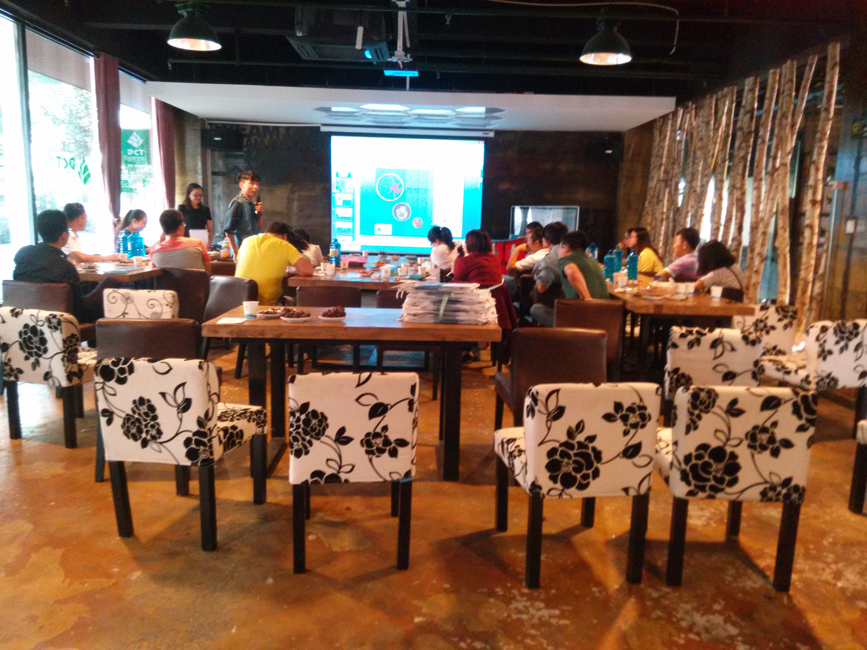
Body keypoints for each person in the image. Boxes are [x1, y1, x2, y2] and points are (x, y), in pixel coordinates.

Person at [13, 210, 119, 323]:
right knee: (111, 281)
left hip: (28, 318)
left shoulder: (23, 256)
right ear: (63, 235)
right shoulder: (65, 267)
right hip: (66, 321)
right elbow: (80, 308)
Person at [235, 221, 314, 305]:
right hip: (265, 306)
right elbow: (308, 270)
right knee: (292, 302)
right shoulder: (284, 245)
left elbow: (238, 266)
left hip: (237, 303)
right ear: (285, 236)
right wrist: (291, 271)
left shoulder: (247, 241)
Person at [528, 221, 569, 327]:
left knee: (535, 309)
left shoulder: (550, 260)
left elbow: (541, 288)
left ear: (546, 240)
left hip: (562, 309)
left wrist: (536, 275)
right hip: (586, 308)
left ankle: (565, 327)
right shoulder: (583, 254)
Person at [557, 230, 609, 300]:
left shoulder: (565, 260)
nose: (558, 251)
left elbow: (572, 271)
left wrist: (587, 298)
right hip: (605, 305)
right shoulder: (593, 261)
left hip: (584, 306)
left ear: (566, 247)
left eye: (559, 247)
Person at [224, 170, 263, 258]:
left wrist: (259, 214)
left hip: (252, 250)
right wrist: (235, 251)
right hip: (241, 251)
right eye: (252, 183)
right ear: (241, 185)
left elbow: (259, 228)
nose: (255, 187)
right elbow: (228, 230)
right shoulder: (238, 203)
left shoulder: (251, 204)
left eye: (257, 184)